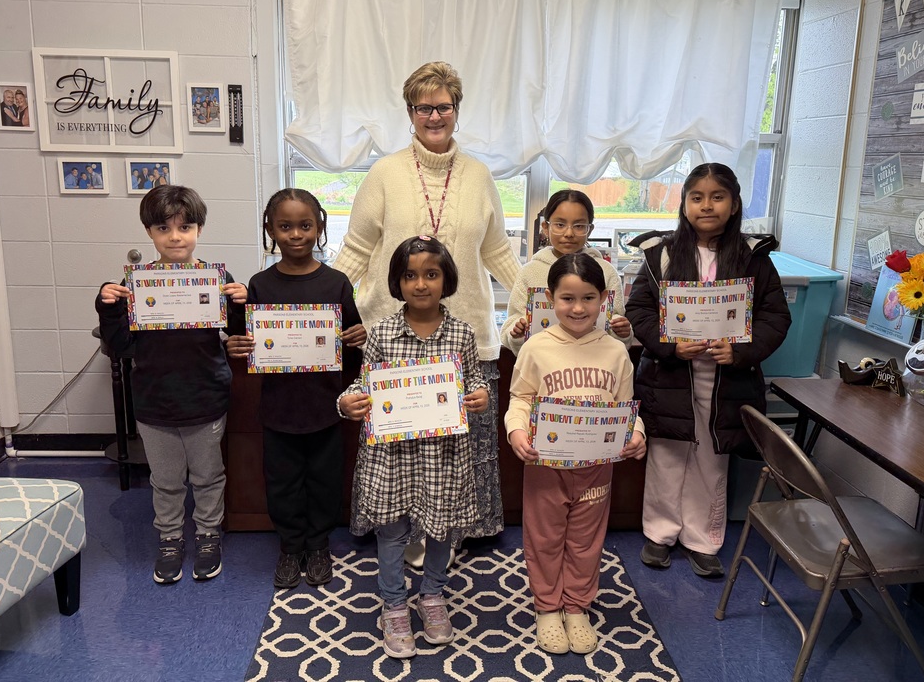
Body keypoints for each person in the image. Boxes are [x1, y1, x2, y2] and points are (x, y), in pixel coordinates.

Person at [333, 62, 520, 555]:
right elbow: (355, 249)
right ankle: (402, 533)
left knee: (463, 444)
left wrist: (535, 302)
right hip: (394, 334)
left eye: (444, 106)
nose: (434, 116)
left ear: (456, 110)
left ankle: (458, 530)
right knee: (402, 445)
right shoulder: (384, 173)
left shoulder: (479, 175)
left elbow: (497, 250)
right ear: (410, 112)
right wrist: (328, 305)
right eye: (424, 107)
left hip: (465, 334)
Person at [625, 163, 791, 578]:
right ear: (683, 204)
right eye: (696, 197)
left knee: (711, 460)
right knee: (666, 454)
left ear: (734, 205)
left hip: (725, 380)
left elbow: (775, 318)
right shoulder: (660, 254)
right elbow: (640, 311)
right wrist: (669, 345)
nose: (706, 205)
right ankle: (660, 534)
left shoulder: (753, 258)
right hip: (670, 376)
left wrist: (739, 352)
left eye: (717, 197)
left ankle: (703, 539)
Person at [338, 235, 489, 659]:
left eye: (431, 274)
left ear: (447, 280)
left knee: (442, 529)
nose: (420, 284)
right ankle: (394, 604)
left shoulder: (461, 333)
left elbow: (473, 379)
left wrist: (479, 395)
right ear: (397, 282)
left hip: (443, 454)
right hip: (394, 455)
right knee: (392, 534)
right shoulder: (382, 332)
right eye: (409, 275)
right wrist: (347, 401)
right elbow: (364, 385)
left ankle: (434, 596)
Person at [96, 185, 247, 584]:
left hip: (205, 398)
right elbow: (120, 346)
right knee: (165, 480)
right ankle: (169, 537)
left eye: (186, 226)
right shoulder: (136, 286)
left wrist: (239, 304)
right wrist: (107, 308)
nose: (175, 236)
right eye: (164, 227)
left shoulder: (218, 278)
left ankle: (208, 534)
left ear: (200, 229)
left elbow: (237, 337)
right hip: (154, 402)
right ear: (149, 233)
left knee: (209, 475)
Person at [505, 253, 646, 655]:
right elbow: (521, 398)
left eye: (588, 297)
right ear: (550, 298)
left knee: (586, 541)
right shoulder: (536, 347)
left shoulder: (616, 352)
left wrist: (637, 434)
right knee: (545, 538)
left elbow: (627, 406)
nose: (578, 308)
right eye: (567, 298)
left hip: (597, 468)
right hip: (545, 466)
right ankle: (548, 608)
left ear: (604, 299)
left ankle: (577, 606)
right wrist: (516, 431)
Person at [226, 189, 366, 591]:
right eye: (285, 226)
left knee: (324, 480)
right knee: (282, 481)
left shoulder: (337, 284)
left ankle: (318, 545)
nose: (295, 234)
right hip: (279, 409)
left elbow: (351, 351)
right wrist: (235, 345)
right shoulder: (260, 284)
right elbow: (246, 343)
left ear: (319, 227)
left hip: (325, 408)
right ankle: (290, 547)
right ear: (270, 230)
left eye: (305, 225)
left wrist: (357, 338)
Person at [501, 189, 631, 355]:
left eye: (578, 226)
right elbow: (510, 324)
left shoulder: (606, 272)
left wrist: (623, 332)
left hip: (593, 362)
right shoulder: (529, 272)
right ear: (546, 227)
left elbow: (615, 323)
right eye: (560, 225)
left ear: (589, 230)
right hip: (543, 362)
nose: (569, 233)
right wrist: (516, 331)